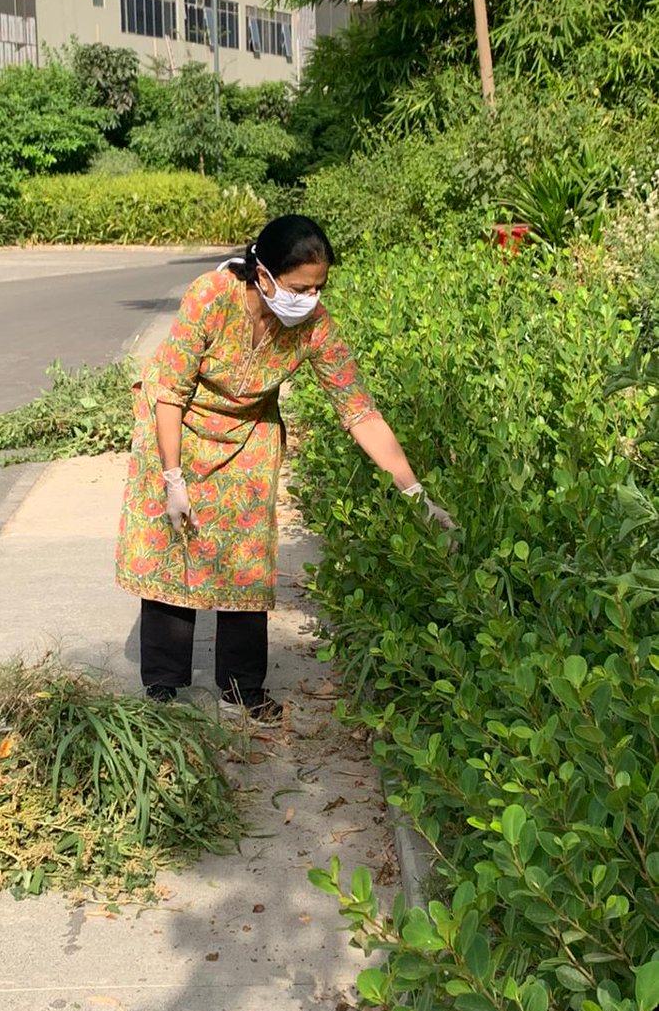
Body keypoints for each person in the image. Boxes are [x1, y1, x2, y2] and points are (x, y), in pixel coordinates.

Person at [115, 215, 454, 724]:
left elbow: (358, 410)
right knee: (174, 549)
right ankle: (163, 686)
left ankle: (241, 686)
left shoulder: (314, 328)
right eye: (300, 287)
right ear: (263, 274)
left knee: (246, 555)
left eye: (319, 288)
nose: (310, 299)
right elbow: (171, 392)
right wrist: (172, 479)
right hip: (177, 425)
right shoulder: (210, 297)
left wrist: (415, 494)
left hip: (249, 434)